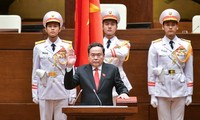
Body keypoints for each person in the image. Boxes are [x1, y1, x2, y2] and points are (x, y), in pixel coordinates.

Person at [147, 8, 193, 120]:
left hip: (180, 87)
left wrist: (189, 92)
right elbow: (151, 70)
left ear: (177, 26)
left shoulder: (186, 45)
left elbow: (189, 70)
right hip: (162, 87)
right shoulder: (155, 45)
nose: (170, 27)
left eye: (173, 24)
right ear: (163, 27)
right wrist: (152, 94)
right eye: (167, 24)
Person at [31, 11, 76, 120]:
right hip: (44, 88)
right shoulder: (39, 47)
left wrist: (72, 92)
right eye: (49, 26)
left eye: (55, 26)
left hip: (62, 88)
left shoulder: (67, 46)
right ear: (45, 29)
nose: (52, 29)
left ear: (60, 29)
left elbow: (71, 70)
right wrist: (34, 92)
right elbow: (35, 71)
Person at [64, 42, 129, 105]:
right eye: (93, 55)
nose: (95, 58)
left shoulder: (112, 70)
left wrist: (123, 93)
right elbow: (69, 85)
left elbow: (120, 86)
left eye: (98, 55)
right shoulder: (81, 70)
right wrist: (69, 66)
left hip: (106, 111)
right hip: (86, 111)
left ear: (103, 56)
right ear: (88, 56)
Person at [101, 8, 132, 105]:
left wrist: (100, 52)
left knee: (118, 113)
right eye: (106, 24)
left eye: (112, 24)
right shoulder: (97, 42)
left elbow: (123, 54)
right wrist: (115, 52)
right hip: (101, 80)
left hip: (118, 81)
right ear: (102, 26)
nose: (109, 27)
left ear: (117, 26)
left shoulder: (124, 43)